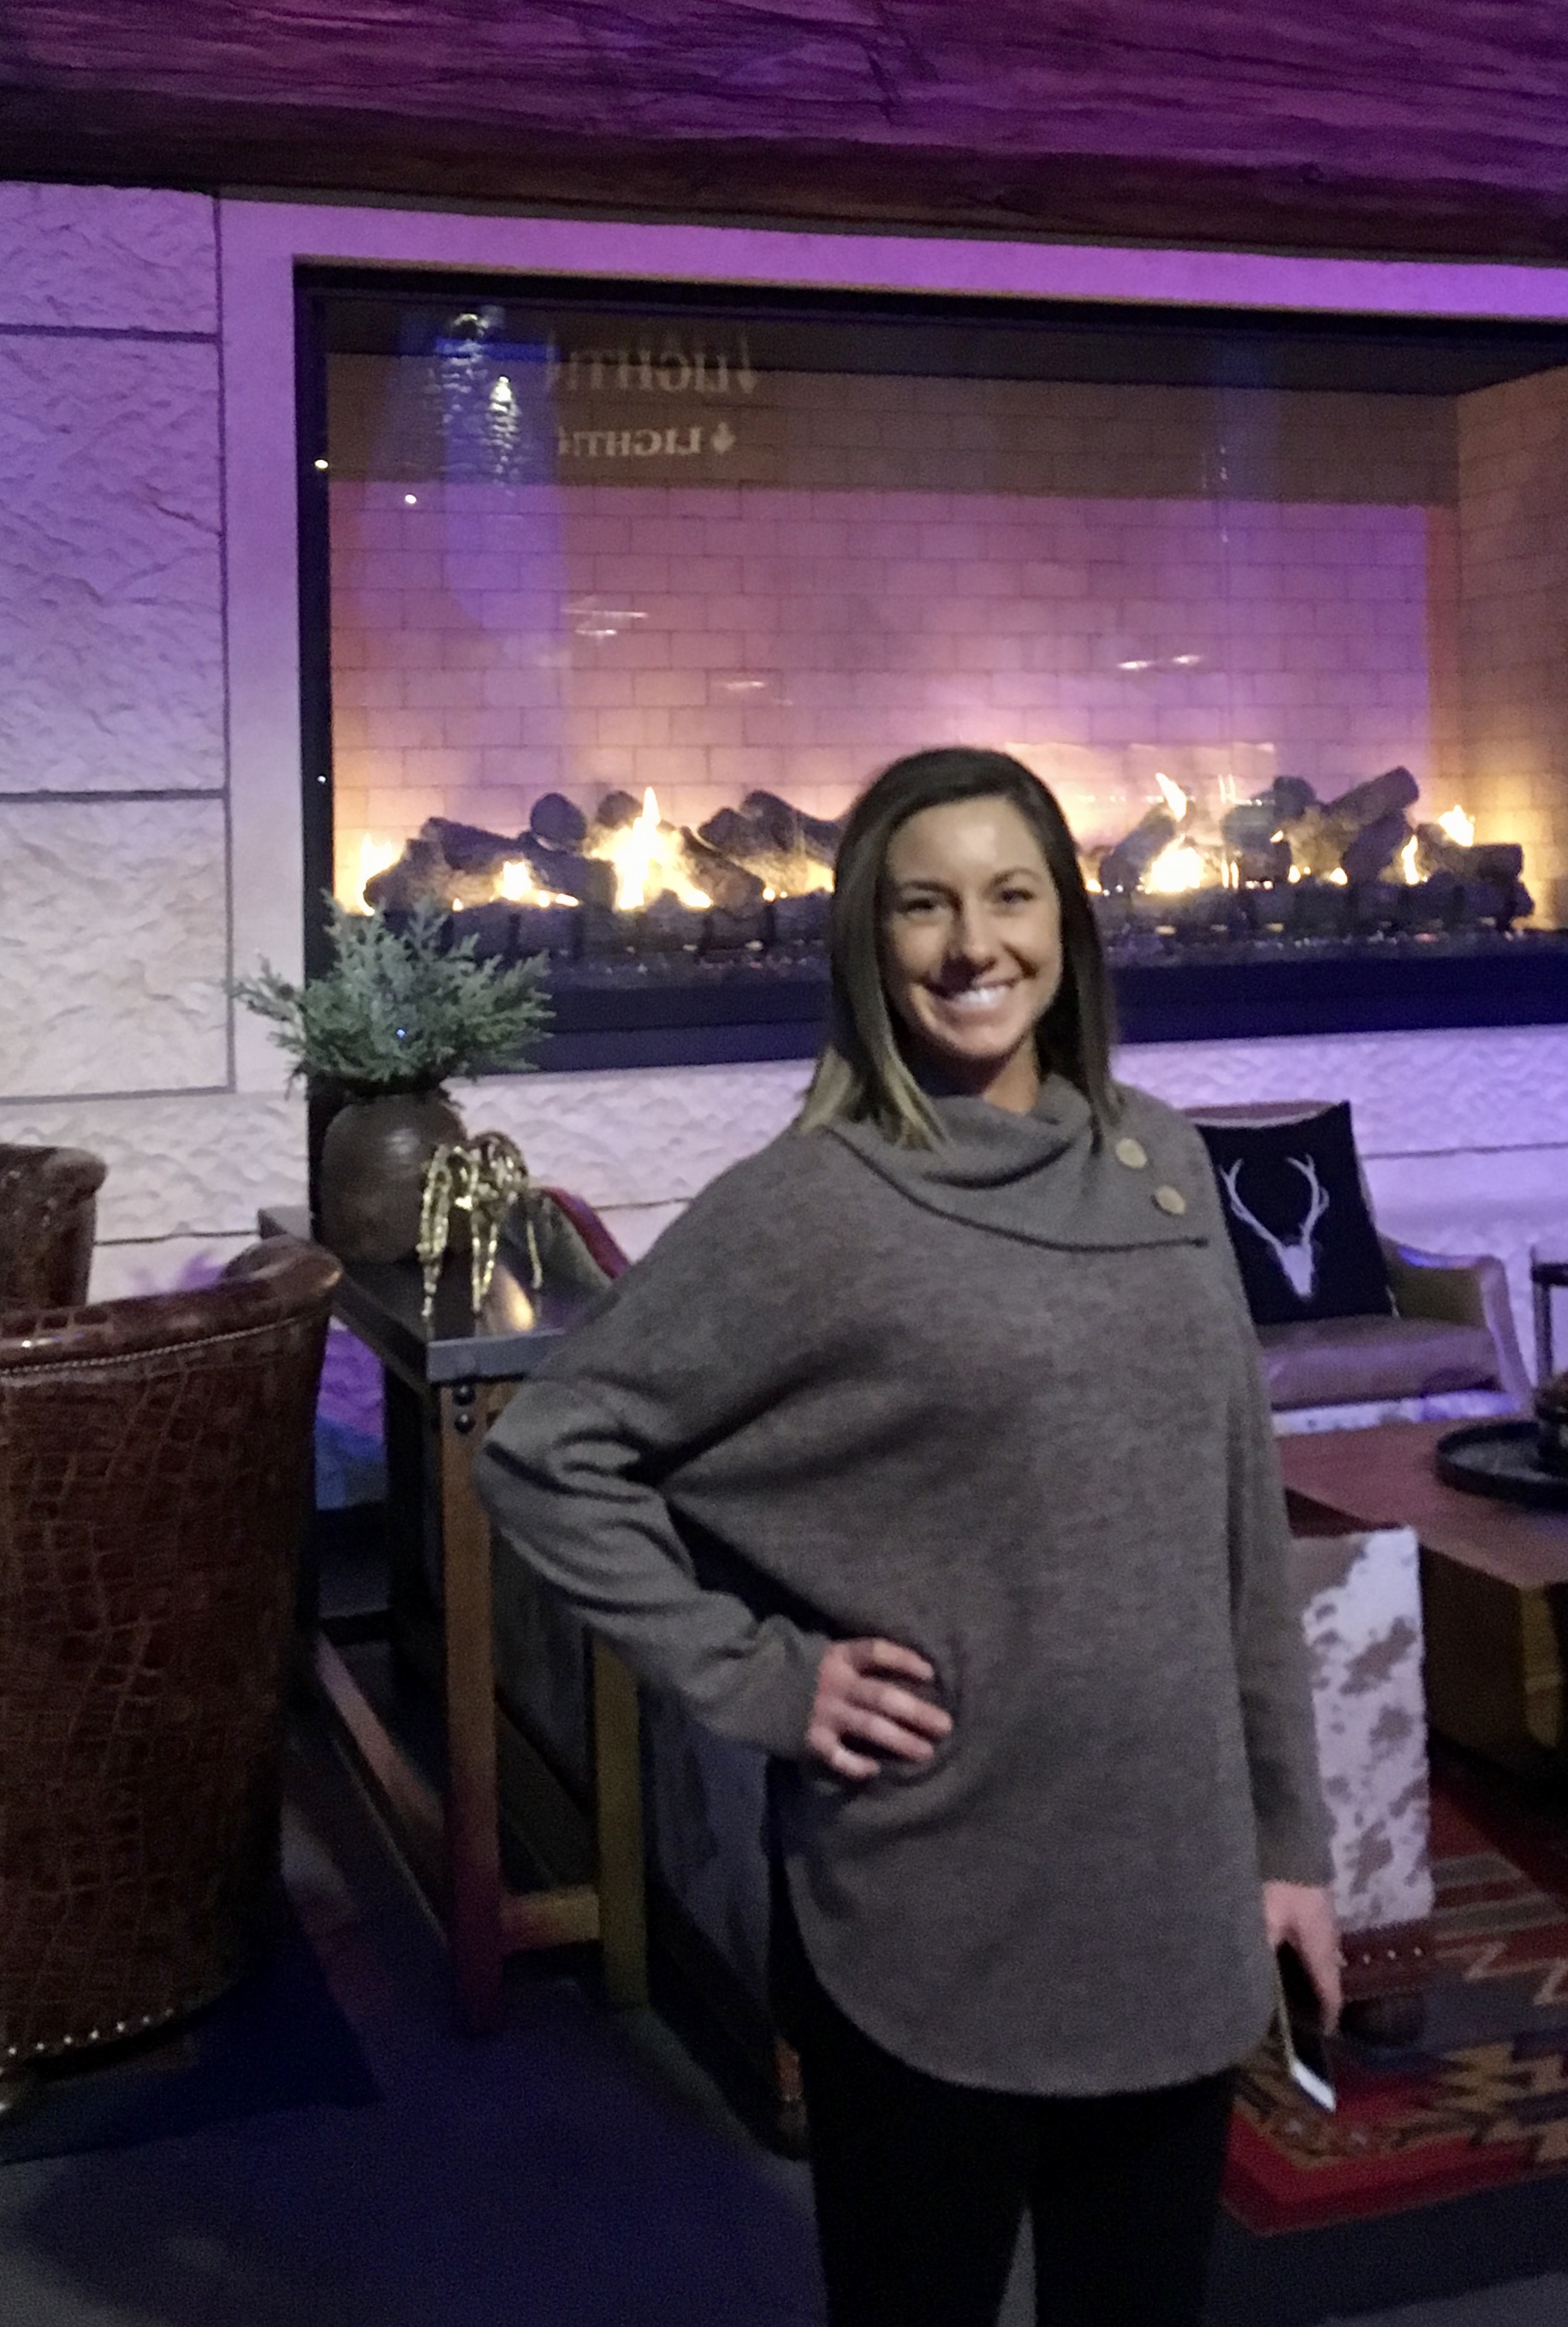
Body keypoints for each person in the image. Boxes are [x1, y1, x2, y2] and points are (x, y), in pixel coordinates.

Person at [475, 746, 1339, 2327]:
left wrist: (1287, 1844)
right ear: (866, 939)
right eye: (923, 905)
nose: (971, 944)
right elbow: (547, 1454)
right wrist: (758, 1675)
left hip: (1168, 1896)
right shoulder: (811, 1205)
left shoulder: (1162, 1166)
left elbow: (1236, 1521)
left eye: (1011, 896)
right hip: (930, 1907)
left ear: (1066, 923)